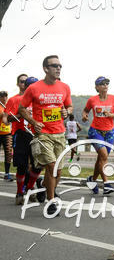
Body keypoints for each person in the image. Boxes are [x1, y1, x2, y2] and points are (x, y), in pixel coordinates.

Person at [19, 56, 73, 216]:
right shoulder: (34, 88)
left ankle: (44, 185)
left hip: (59, 134)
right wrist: (33, 122)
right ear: (45, 69)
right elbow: (22, 108)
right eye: (54, 66)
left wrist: (67, 111)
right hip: (42, 134)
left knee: (58, 171)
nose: (58, 68)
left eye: (60, 66)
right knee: (51, 166)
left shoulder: (64, 87)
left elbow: (69, 106)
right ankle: (51, 202)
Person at [3, 75, 44, 205]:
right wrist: (22, 113)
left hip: (37, 135)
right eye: (24, 82)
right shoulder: (15, 100)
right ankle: (20, 192)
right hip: (21, 134)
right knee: (21, 166)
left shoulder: (40, 100)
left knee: (38, 165)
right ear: (22, 85)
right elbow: (6, 119)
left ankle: (30, 187)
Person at [82, 76, 114, 195]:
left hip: (109, 132)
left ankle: (92, 180)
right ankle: (106, 184)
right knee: (104, 155)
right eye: (102, 83)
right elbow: (86, 110)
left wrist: (111, 114)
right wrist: (85, 116)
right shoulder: (92, 100)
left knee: (102, 158)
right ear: (97, 87)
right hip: (96, 131)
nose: (105, 85)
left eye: (107, 83)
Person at [0, 91, 13, 180]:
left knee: (8, 153)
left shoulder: (9, 106)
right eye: (2, 96)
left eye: (5, 96)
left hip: (7, 133)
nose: (4, 98)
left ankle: (7, 173)